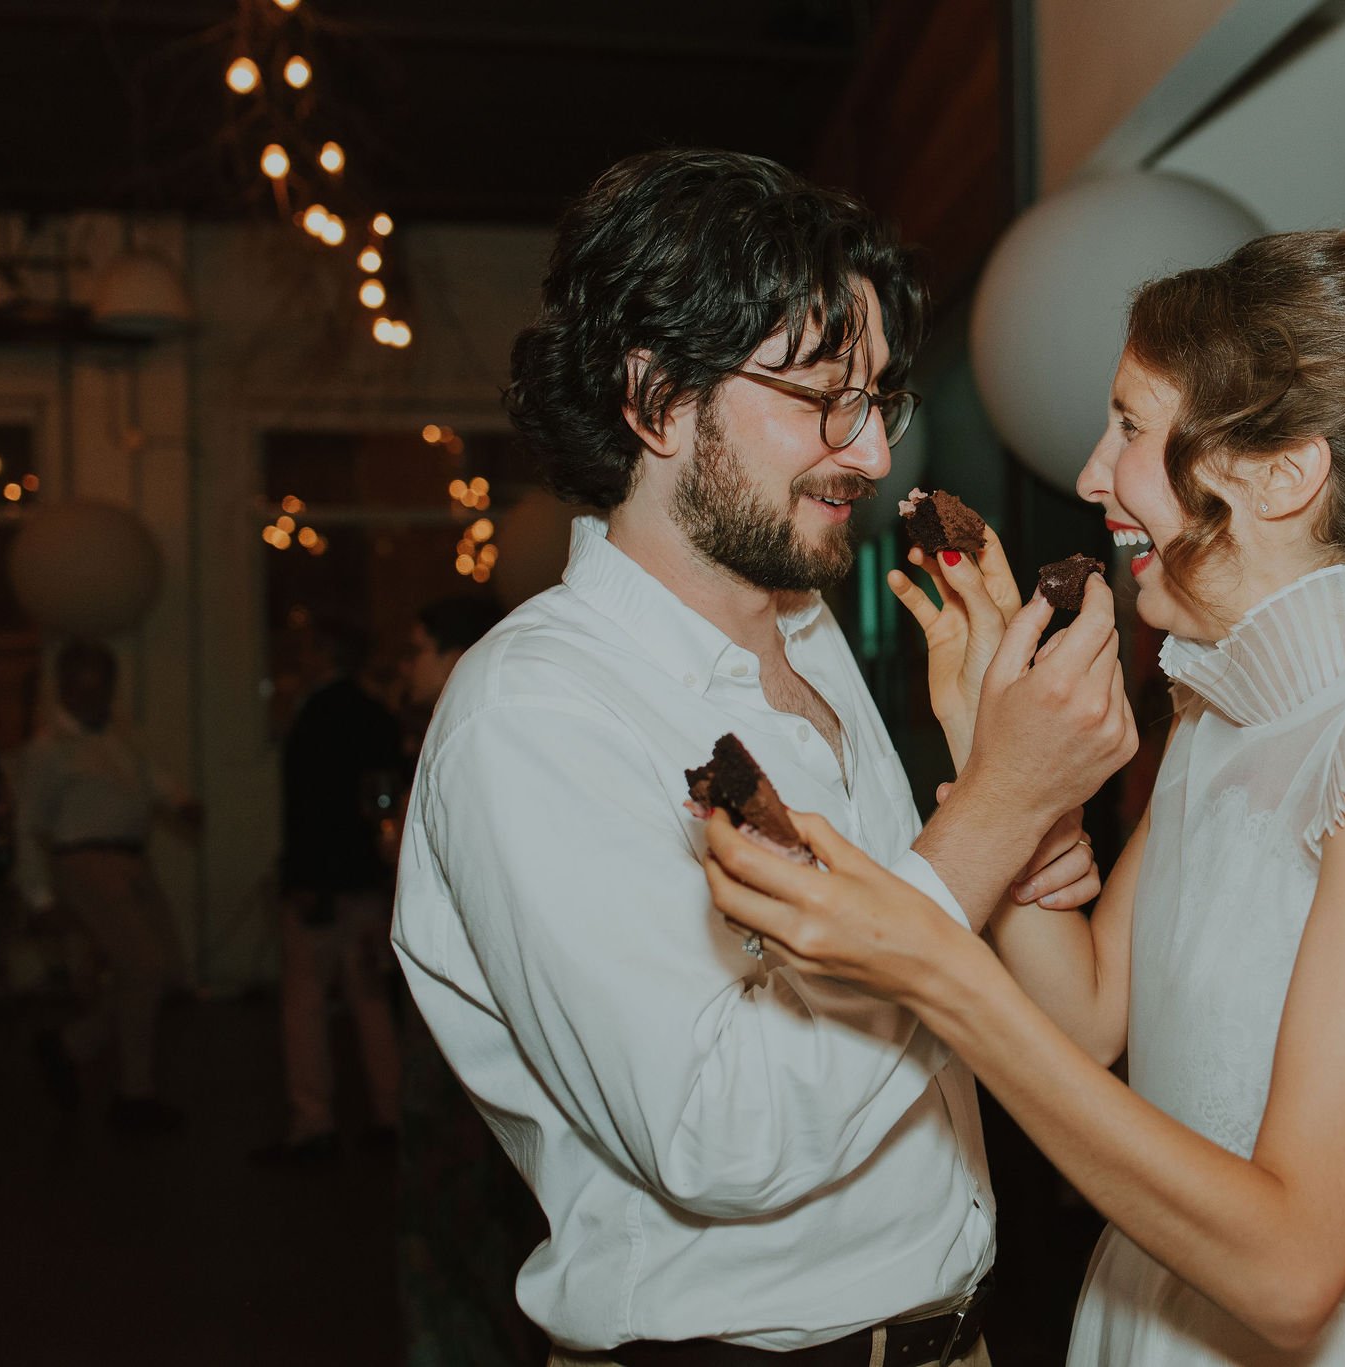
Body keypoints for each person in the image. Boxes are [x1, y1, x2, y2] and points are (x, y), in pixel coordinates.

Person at [704, 228, 1345, 1365]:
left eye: (1128, 425)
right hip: (1141, 1312)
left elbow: (1288, 1267)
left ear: (1279, 472)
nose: (1086, 474)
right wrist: (994, 752)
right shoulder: (1222, 706)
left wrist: (934, 962)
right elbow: (1087, 1016)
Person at [392, 148, 1134, 1364]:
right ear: (657, 398)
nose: (874, 454)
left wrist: (1015, 839)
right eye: (820, 398)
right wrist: (997, 811)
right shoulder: (532, 714)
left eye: (879, 399)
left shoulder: (802, 621)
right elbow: (718, 1135)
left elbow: (906, 960)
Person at [388, 591, 549, 1367]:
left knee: (474, 1220)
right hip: (462, 1018)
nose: (408, 666)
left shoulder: (487, 729)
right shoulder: (437, 729)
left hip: (484, 1023)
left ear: (457, 651)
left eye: (419, 647)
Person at [11, 638, 199, 1134]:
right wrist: (39, 897)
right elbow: (29, 828)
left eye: (102, 687)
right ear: (65, 689)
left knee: (165, 972)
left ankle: (72, 1045)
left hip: (132, 860)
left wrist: (180, 802)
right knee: (143, 968)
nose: (94, 698)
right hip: (85, 863)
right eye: (84, 688)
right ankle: (134, 1093)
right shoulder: (48, 751)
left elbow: (152, 779)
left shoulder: (118, 734)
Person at [261, 616, 405, 1161]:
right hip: (365, 878)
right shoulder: (375, 715)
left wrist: (302, 878)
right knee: (370, 999)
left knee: (304, 1000)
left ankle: (312, 1121)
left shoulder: (312, 718)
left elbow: (307, 808)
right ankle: (389, 1116)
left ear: (323, 651)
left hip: (319, 882)